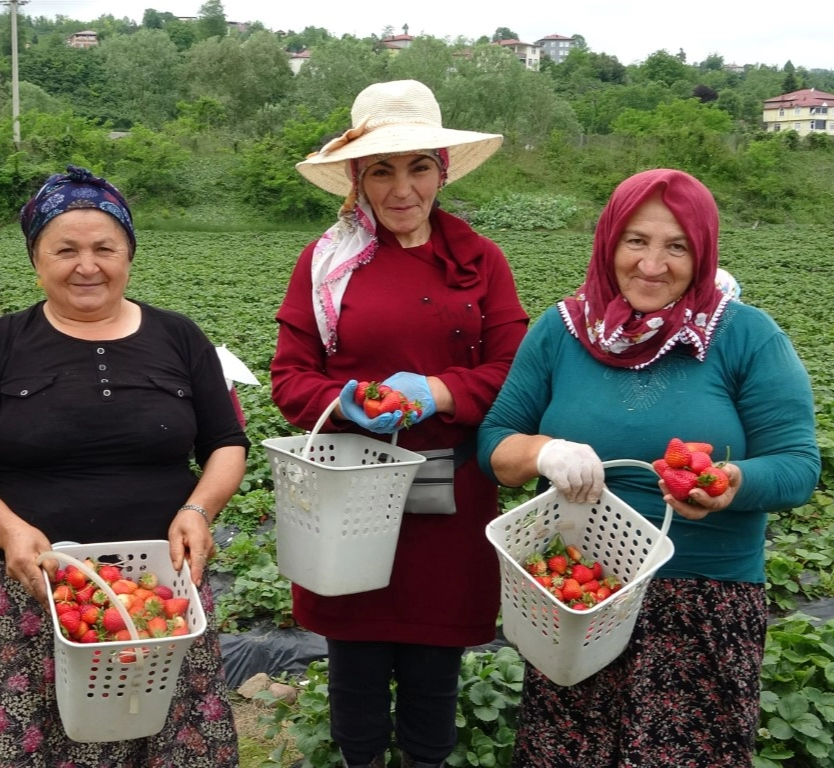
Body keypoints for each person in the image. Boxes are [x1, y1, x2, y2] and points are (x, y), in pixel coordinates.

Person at [476, 168, 820, 767]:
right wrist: (543, 452)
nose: (652, 265)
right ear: (608, 242)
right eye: (636, 240)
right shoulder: (561, 332)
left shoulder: (747, 338)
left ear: (704, 251)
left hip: (701, 602)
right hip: (577, 600)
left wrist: (730, 485)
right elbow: (495, 445)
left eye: (677, 246)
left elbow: (798, 467)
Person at [0, 166, 249, 767]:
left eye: (105, 247)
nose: (87, 265)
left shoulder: (179, 338)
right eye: (65, 249)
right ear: (35, 257)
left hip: (162, 594)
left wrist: (198, 509)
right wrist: (10, 532)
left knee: (168, 736)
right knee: (44, 742)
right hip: (36, 591)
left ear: (129, 253)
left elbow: (227, 442)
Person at [270, 79, 530, 768]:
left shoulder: (481, 261)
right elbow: (289, 377)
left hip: (449, 505)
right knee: (353, 670)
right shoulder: (327, 266)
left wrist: (441, 392)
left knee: (433, 675)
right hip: (350, 499)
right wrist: (345, 399)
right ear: (357, 179)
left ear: (442, 171)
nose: (402, 187)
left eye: (418, 166)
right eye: (380, 169)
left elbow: (515, 371)